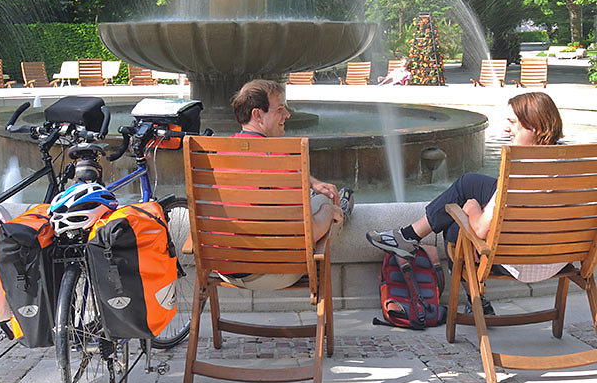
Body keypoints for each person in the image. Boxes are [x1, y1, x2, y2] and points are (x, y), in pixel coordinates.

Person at [366, 92, 565, 311]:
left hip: (521, 262)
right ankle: (408, 237)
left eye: (512, 123)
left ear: (534, 127)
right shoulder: (576, 165)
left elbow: (480, 229)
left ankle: (476, 301)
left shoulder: (520, 173)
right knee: (468, 183)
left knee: (454, 229)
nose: (507, 129)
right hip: (562, 258)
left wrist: (472, 208)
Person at [231, 79, 351, 242]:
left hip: (225, 261)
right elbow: (309, 234)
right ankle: (342, 211)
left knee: (319, 196)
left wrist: (310, 181)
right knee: (327, 202)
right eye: (280, 109)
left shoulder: (219, 154)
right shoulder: (279, 160)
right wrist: (328, 211)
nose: (287, 115)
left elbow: (254, 171)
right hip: (274, 262)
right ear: (257, 115)